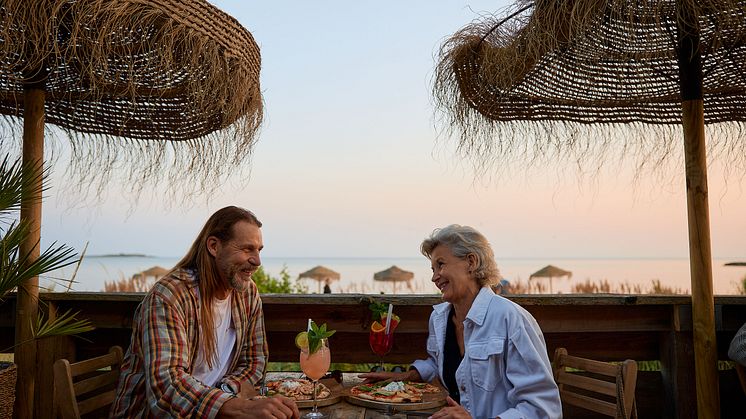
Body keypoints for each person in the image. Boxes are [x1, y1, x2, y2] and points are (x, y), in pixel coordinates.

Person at [111, 206, 299, 418]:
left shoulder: (246, 293)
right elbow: (167, 386)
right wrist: (239, 407)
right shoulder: (169, 297)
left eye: (259, 250)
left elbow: (255, 361)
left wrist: (226, 392)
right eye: (247, 249)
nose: (257, 261)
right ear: (214, 246)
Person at [360, 224, 561, 418]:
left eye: (441, 264)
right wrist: (405, 377)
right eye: (432, 269)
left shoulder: (511, 319)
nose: (434, 277)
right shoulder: (439, 319)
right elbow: (439, 364)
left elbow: (543, 408)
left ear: (471, 263)